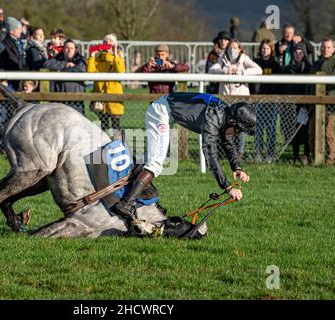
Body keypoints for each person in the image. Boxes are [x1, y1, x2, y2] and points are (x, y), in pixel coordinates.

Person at [113, 92, 256, 220]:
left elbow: (228, 143)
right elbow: (210, 155)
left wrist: (237, 167)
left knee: (150, 161)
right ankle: (126, 204)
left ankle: (138, 199)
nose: (237, 133)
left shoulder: (224, 113)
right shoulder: (213, 117)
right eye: (238, 129)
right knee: (155, 164)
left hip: (165, 110)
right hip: (161, 111)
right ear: (233, 121)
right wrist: (228, 187)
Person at [208, 39, 262, 160]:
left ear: (239, 49)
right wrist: (225, 71)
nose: (232, 50)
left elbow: (258, 70)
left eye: (235, 47)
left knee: (240, 127)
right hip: (225, 98)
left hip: (241, 99)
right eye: (230, 47)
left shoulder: (244, 58)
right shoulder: (222, 58)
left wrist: (242, 72)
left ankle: (240, 153)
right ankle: (226, 152)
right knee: (225, 126)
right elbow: (212, 70)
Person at [309, 38, 335, 165]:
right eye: (323, 47)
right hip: (313, 105)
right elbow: (309, 85)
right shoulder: (314, 65)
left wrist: (328, 96)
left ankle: (330, 159)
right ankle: (315, 158)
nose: (325, 49)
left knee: (328, 133)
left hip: (330, 106)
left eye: (328, 47)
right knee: (312, 133)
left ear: (333, 49)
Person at [87, 33, 126, 135]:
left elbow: (121, 71)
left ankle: (118, 146)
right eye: (105, 41)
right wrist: (92, 56)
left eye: (110, 41)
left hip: (114, 96)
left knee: (116, 125)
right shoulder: (98, 57)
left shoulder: (118, 56)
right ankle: (104, 145)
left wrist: (115, 54)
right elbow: (90, 72)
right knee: (103, 126)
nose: (107, 43)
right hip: (100, 96)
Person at [282, 42, 313, 165]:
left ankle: (306, 155)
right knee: (292, 131)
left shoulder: (308, 68)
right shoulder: (287, 69)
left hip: (304, 104)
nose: (298, 54)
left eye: (301, 52)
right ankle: (294, 155)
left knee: (305, 131)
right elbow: (283, 87)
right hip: (291, 104)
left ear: (304, 54)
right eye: (296, 52)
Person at [253, 39, 283, 163]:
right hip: (258, 100)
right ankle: (259, 154)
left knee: (271, 129)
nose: (265, 50)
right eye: (263, 48)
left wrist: (279, 100)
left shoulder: (275, 65)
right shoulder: (255, 63)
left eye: (267, 48)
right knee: (258, 128)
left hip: (271, 101)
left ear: (271, 50)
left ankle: (270, 155)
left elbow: (280, 84)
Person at [44, 39, 87, 114]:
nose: (69, 50)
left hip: (76, 100)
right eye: (67, 48)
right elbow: (47, 65)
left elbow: (82, 68)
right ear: (63, 50)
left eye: (71, 48)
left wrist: (67, 68)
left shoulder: (80, 59)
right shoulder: (58, 58)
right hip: (60, 100)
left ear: (75, 50)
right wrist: (65, 65)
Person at [0, 17, 27, 90]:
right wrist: (3, 79)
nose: (21, 31)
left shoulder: (20, 43)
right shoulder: (4, 44)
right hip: (10, 80)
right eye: (18, 29)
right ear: (12, 31)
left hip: (21, 78)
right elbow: (0, 63)